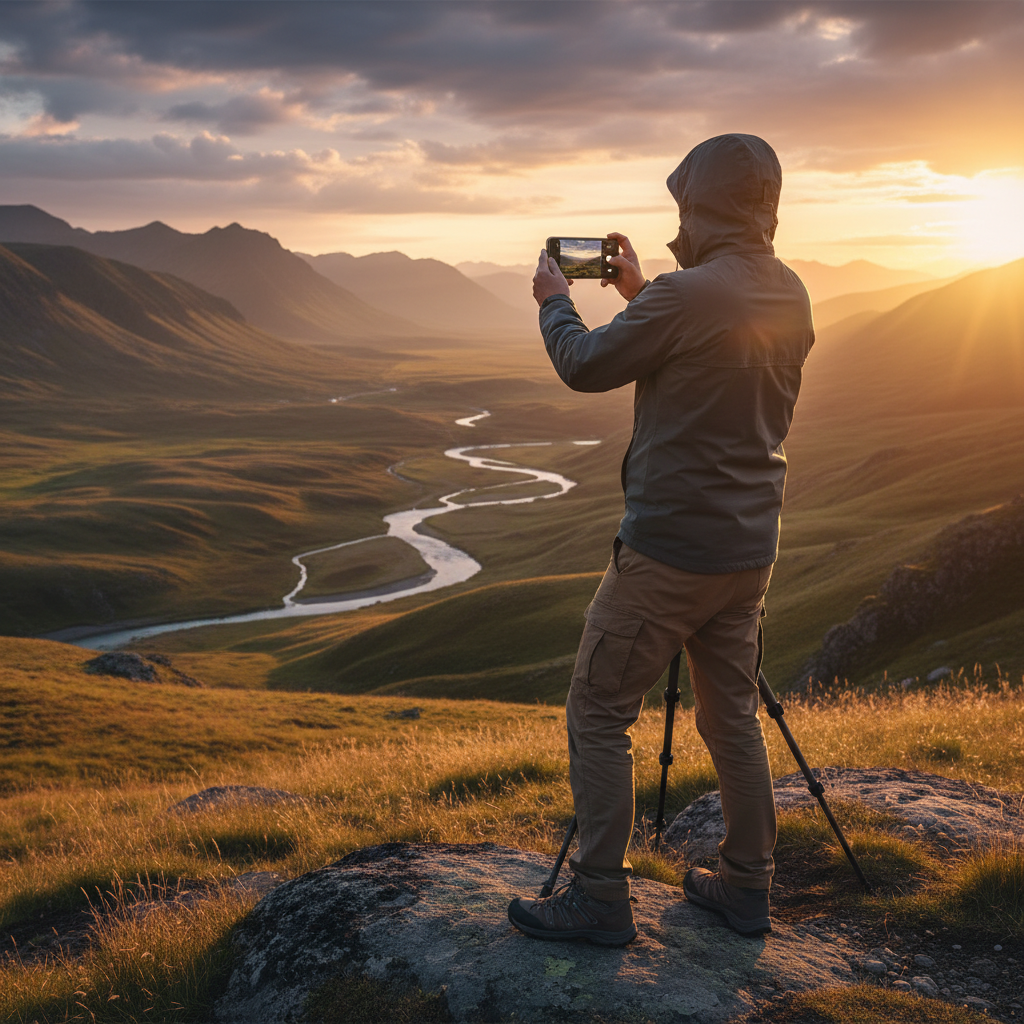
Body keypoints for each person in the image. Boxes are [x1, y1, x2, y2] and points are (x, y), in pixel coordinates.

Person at [507, 134, 814, 946]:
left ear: (698, 203)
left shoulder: (687, 296)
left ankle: (600, 898)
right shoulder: (790, 293)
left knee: (600, 710)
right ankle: (748, 888)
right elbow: (708, 346)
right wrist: (641, 289)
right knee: (734, 718)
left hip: (668, 552)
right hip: (748, 553)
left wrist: (552, 297)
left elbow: (584, 364)